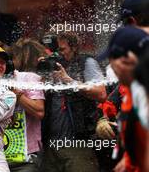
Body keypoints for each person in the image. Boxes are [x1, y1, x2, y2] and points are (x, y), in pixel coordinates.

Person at [40, 32, 106, 172]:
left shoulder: (85, 62)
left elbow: (101, 93)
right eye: (55, 50)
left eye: (62, 50)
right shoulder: (51, 65)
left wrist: (69, 81)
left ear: (74, 47)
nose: (59, 54)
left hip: (78, 144)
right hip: (50, 145)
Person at [100, 26, 149, 172]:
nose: (111, 67)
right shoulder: (129, 88)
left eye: (112, 59)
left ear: (128, 59)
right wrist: (128, 161)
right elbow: (108, 107)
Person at [5, 38, 45, 172]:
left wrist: (16, 93)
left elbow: (39, 111)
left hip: (26, 156)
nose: (0, 65)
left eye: (3, 60)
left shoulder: (30, 78)